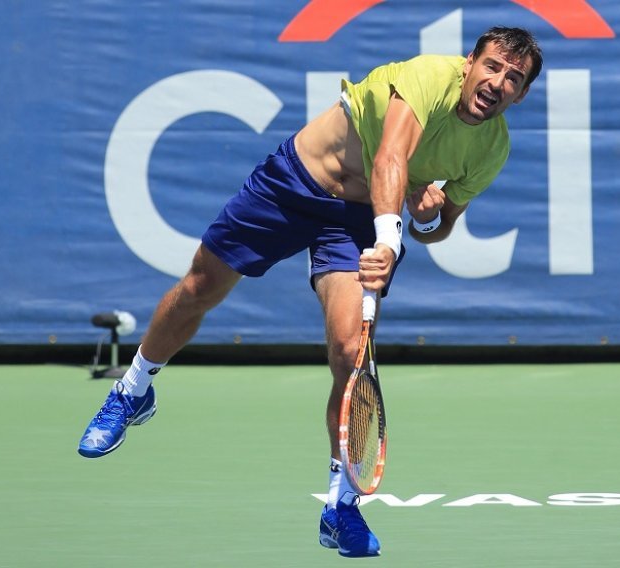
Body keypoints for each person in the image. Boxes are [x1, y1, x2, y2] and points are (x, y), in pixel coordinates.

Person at [78, 26, 542, 558]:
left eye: (514, 78)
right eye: (492, 66)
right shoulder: (429, 76)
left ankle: (341, 506)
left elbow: (440, 228)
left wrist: (428, 217)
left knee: (351, 352)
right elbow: (390, 157)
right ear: (468, 64)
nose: (498, 82)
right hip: (296, 183)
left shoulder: (491, 149)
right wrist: (391, 238)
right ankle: (132, 390)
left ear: (521, 94)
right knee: (200, 287)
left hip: (359, 221)